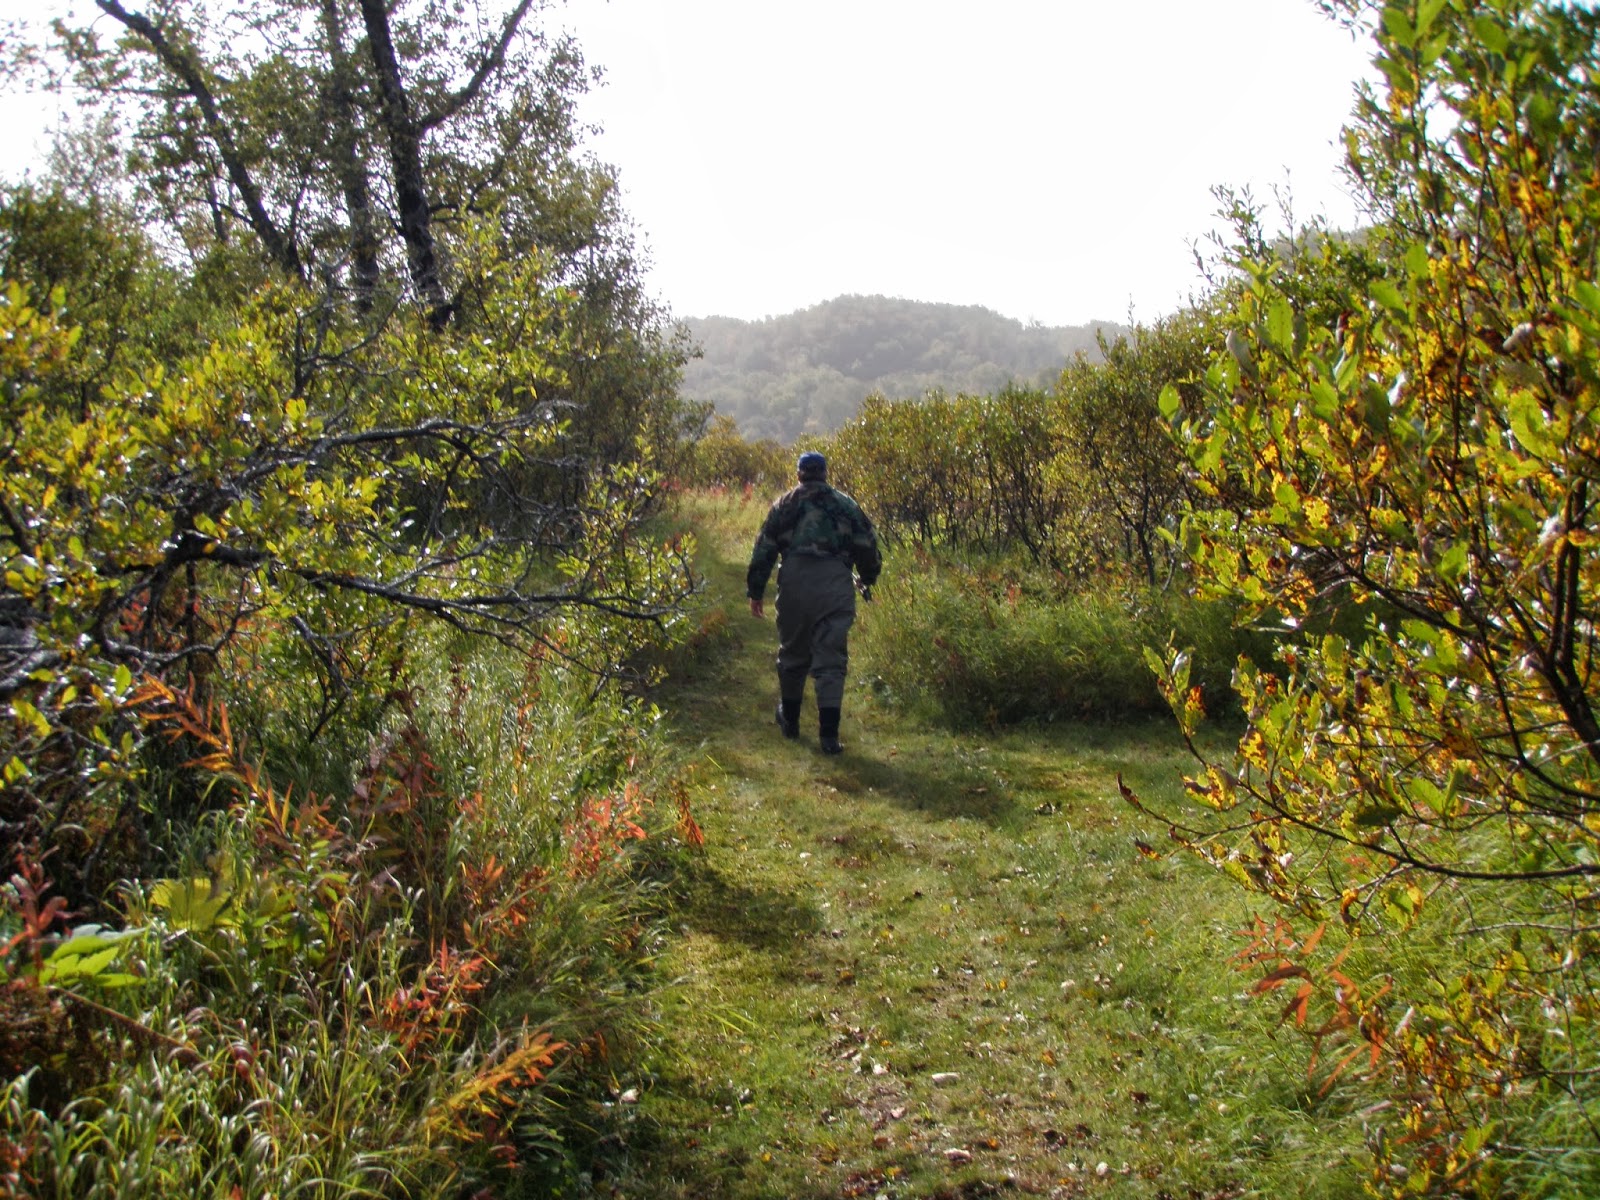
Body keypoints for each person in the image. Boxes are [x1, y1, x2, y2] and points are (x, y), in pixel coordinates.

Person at [747, 451, 882, 754]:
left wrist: (756, 591)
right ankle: (829, 737)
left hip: (795, 582)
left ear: (799, 474)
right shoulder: (845, 505)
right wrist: (868, 577)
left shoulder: (784, 504)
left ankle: (791, 721)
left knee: (793, 652)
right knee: (831, 659)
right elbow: (868, 546)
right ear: (824, 473)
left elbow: (765, 547)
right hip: (835, 584)